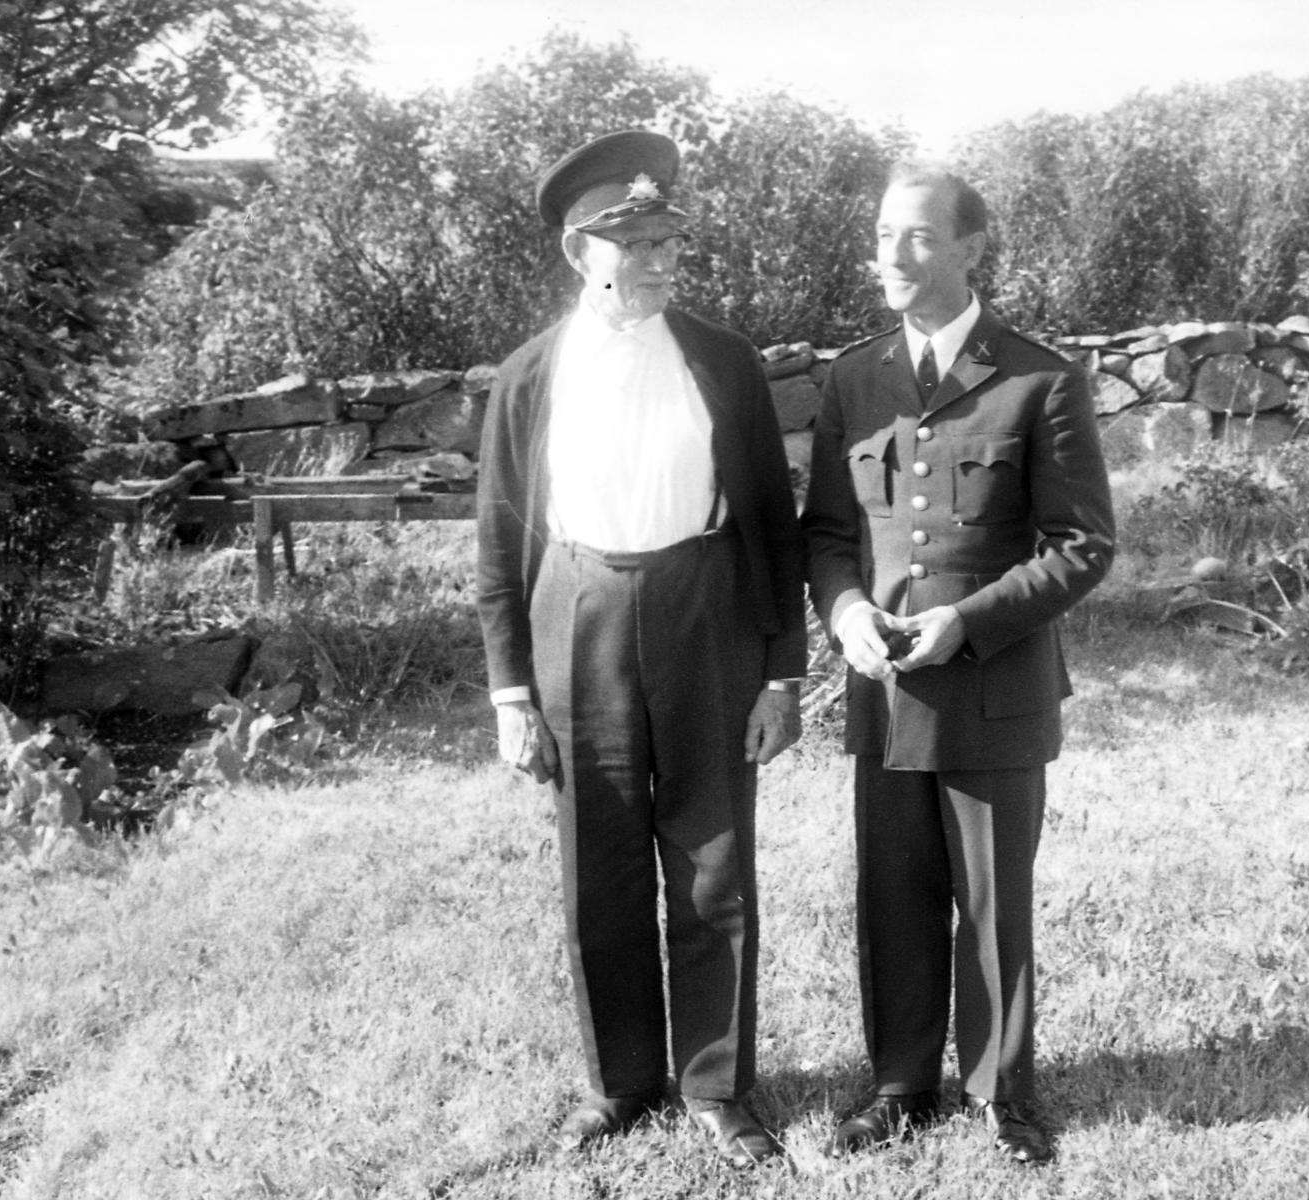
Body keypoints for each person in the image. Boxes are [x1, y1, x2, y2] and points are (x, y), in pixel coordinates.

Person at [474, 130, 806, 1169]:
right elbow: (498, 540)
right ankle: (620, 1083)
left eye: (669, 241)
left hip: (706, 611)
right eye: (638, 243)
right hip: (577, 615)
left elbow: (772, 521)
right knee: (600, 862)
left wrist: (783, 672)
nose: (661, 261)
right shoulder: (531, 375)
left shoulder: (723, 360)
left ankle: (716, 1086)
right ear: (582, 252)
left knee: (713, 862)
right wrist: (510, 695)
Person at [802, 164, 1116, 1165]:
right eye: (882, 235)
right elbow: (828, 533)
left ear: (972, 248)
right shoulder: (854, 378)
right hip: (886, 691)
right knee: (891, 894)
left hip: (994, 687)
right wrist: (845, 609)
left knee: (990, 900)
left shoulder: (1038, 378)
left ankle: (1002, 1092)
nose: (891, 255)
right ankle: (900, 1084)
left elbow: (1083, 544)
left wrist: (968, 623)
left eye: (918, 236)